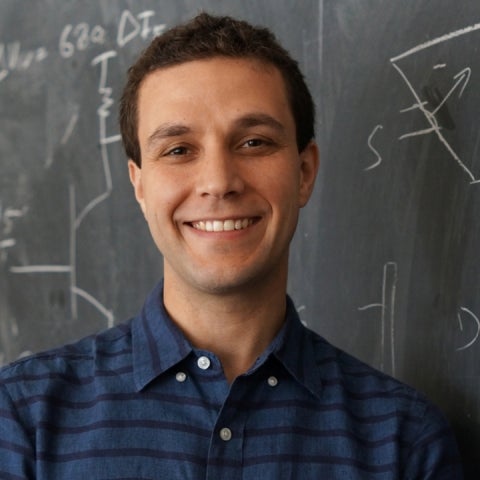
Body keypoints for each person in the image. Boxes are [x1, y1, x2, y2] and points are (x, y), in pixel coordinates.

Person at [0, 12, 463, 479]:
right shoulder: (24, 421)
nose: (219, 182)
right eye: (179, 149)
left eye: (254, 142)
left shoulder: (402, 441)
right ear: (139, 185)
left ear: (303, 173)